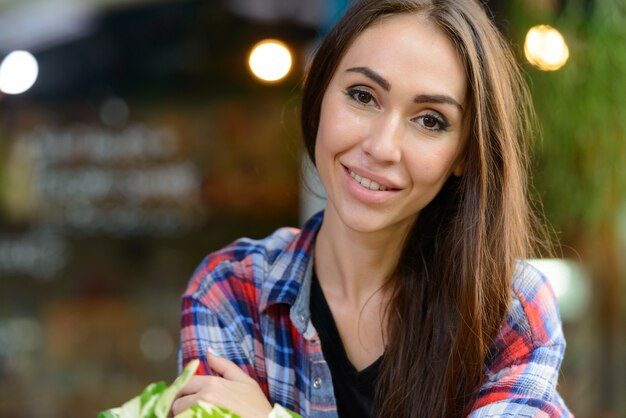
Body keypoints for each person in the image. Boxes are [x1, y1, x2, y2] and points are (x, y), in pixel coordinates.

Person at [172, 0, 573, 417]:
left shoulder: (508, 312)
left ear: (464, 154)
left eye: (430, 120)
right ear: (320, 92)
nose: (382, 147)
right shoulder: (232, 292)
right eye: (363, 96)